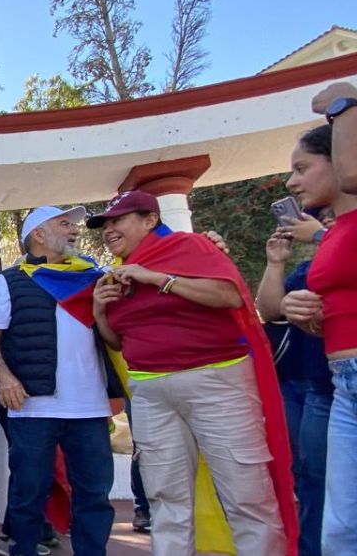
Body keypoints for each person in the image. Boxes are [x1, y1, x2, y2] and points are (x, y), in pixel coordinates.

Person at [89, 190, 294, 556]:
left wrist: (156, 278)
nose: (109, 230)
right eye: (105, 224)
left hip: (216, 381)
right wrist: (100, 311)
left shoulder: (189, 245)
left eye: (118, 220)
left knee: (245, 492)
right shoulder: (116, 273)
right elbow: (118, 341)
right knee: (164, 496)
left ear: (150, 220)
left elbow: (230, 295)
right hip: (150, 390)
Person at [282, 81, 357, 555]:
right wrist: (305, 312)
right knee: (344, 529)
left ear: (340, 159)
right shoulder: (338, 230)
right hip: (345, 383)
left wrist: (346, 105)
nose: (292, 182)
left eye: (302, 168)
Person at [0, 206, 120, 556]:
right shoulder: (10, 280)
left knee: (94, 495)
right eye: (64, 223)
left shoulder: (95, 277)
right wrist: (3, 377)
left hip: (90, 409)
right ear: (39, 234)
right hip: (33, 408)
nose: (74, 230)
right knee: (28, 493)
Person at [256, 203, 334, 556]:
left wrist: (320, 235)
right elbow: (270, 310)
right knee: (310, 474)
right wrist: (275, 263)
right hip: (307, 382)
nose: (324, 217)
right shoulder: (307, 269)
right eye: (319, 214)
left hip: (353, 380)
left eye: (331, 212)